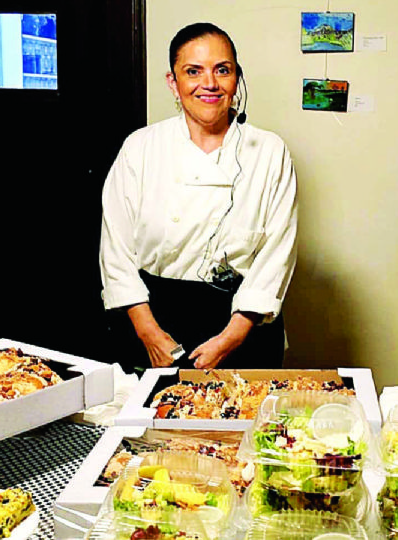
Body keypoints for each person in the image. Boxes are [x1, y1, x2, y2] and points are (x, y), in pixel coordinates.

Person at [100, 23, 298, 371]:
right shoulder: (140, 148)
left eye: (222, 70)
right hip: (153, 321)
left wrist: (231, 338)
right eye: (193, 72)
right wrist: (149, 333)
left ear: (237, 78)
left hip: (243, 324)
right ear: (173, 83)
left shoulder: (269, 151)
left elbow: (277, 253)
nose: (209, 84)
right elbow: (116, 252)